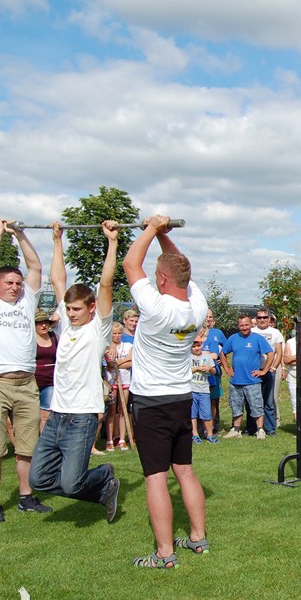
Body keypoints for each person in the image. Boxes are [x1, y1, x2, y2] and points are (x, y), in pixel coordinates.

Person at [123, 215, 209, 568]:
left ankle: (164, 553)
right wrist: (162, 235)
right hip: (180, 398)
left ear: (160, 279)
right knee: (185, 471)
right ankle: (198, 538)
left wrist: (151, 229)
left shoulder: (155, 307)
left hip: (151, 402)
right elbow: (180, 268)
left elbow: (130, 262)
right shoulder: (197, 307)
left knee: (156, 476)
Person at [28, 220, 121, 523]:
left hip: (82, 418)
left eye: (76, 309)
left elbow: (105, 284)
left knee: (71, 483)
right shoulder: (66, 323)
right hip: (56, 415)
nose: (69, 314)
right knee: (38, 480)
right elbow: (58, 278)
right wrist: (57, 240)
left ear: (92, 308)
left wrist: (112, 242)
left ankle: (104, 474)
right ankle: (103, 488)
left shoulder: (99, 329)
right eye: (68, 309)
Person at [0, 219, 52, 523]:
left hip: (25, 384)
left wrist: (20, 234)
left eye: (17, 283)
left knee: (27, 447)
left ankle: (26, 497)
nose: (15, 287)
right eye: (8, 282)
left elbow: (35, 267)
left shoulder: (27, 301)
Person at [221, 315, 272, 439]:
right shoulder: (233, 338)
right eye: (241, 325)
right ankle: (236, 430)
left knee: (256, 406)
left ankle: (260, 430)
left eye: (246, 325)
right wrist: (227, 368)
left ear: (251, 325)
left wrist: (264, 370)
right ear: (238, 326)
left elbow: (270, 354)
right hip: (236, 380)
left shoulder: (258, 339)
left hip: (253, 380)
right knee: (236, 406)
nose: (244, 328)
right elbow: (222, 353)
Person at [251, 309, 283, 435]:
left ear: (269, 319)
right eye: (259, 317)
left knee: (269, 401)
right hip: (254, 370)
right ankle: (253, 428)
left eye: (265, 317)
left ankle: (270, 429)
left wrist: (274, 367)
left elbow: (279, 352)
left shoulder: (275, 332)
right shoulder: (252, 332)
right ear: (256, 318)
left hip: (269, 370)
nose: (262, 320)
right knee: (253, 400)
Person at [104, 322, 133, 452]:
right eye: (114, 333)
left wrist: (118, 363)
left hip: (125, 381)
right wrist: (122, 361)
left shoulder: (127, 346)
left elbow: (132, 361)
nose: (117, 336)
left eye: (119, 333)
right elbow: (109, 364)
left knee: (123, 410)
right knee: (111, 411)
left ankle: (122, 439)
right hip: (112, 381)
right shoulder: (107, 348)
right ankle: (110, 439)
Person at [189, 336, 218, 443]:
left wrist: (209, 368)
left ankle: (209, 434)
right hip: (191, 389)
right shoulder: (188, 357)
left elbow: (214, 371)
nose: (196, 348)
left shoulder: (207, 357)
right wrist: (196, 368)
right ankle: (194, 434)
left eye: (198, 346)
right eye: (194, 346)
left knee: (207, 413)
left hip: (204, 389)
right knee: (192, 414)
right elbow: (184, 371)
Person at [33, 311, 58, 431]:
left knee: (46, 414)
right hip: (32, 381)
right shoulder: (30, 338)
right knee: (31, 416)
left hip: (50, 382)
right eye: (40, 323)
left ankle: (43, 445)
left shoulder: (54, 337)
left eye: (46, 323)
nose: (43, 326)